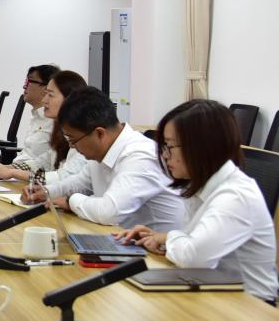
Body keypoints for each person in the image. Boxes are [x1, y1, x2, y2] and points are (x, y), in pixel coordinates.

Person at [116, 100, 278, 304]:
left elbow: (194, 258)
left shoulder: (235, 196)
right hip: (215, 290)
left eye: (170, 146)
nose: (164, 155)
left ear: (201, 148)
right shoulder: (202, 184)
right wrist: (162, 239)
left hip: (250, 307)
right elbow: (194, 245)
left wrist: (169, 237)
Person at [22, 87, 184, 231]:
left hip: (155, 252)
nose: (72, 146)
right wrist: (47, 192)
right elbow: (80, 183)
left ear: (99, 133)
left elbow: (109, 212)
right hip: (124, 241)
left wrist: (71, 201)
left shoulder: (140, 156)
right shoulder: (104, 151)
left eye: (73, 140)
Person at [0, 70, 88, 184]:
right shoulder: (60, 131)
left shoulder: (83, 137)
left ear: (69, 99)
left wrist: (13, 173)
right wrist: (7, 169)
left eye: (50, 95)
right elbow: (43, 162)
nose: (44, 100)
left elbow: (64, 178)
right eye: (45, 94)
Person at [2, 64, 59, 174]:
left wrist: (11, 172)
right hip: (24, 174)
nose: (24, 86)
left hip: (31, 178)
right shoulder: (37, 117)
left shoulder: (55, 123)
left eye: (29, 81)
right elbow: (41, 161)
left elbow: (60, 177)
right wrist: (7, 169)